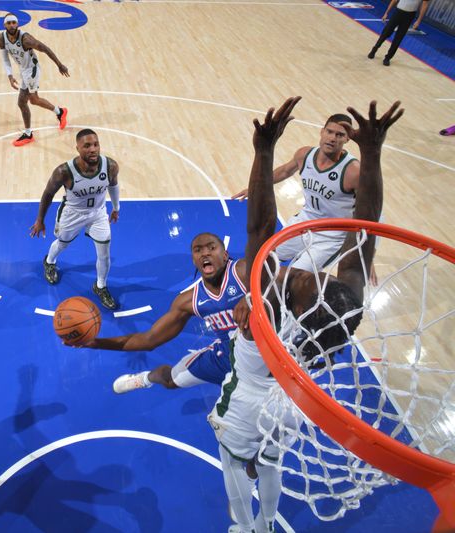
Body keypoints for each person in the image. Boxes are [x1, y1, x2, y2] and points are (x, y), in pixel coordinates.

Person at [209, 97, 402, 533]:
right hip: (290, 402)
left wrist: (262, 150)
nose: (306, 280)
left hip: (247, 400)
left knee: (235, 466)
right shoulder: (338, 315)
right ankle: (267, 525)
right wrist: (373, 154)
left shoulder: (267, 304)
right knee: (272, 461)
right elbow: (363, 229)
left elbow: (260, 227)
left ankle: (245, 526)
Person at [79, 232, 247, 395]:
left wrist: (254, 296)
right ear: (194, 260)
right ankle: (145, 378)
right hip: (225, 358)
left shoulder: (244, 272)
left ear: (225, 255)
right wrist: (97, 343)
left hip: (261, 351)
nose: (205, 253)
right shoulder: (188, 301)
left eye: (211, 248)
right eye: (198, 250)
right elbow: (149, 340)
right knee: (170, 381)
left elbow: (267, 249)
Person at [232, 113, 364, 275]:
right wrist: (256, 188)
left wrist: (365, 252)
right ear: (321, 131)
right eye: (329, 132)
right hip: (304, 222)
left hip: (331, 236)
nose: (332, 138)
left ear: (348, 139)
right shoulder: (305, 154)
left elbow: (368, 211)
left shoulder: (353, 171)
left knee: (293, 277)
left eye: (339, 135)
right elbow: (285, 171)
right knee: (264, 257)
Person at [29, 129, 120, 309]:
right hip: (73, 214)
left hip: (98, 213)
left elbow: (114, 186)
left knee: (104, 253)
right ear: (77, 148)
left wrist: (116, 208)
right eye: (87, 146)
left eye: (96, 144)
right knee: (63, 244)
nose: (93, 149)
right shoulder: (64, 171)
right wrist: (40, 220)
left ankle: (100, 286)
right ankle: (49, 261)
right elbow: (47, 194)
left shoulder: (110, 166)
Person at [0, 13, 69, 147]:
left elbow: (45, 49)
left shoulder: (26, 39)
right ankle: (60, 112)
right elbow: (5, 58)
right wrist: (10, 76)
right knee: (24, 102)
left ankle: (30, 133)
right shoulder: (1, 38)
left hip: (32, 69)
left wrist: (59, 65)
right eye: (9, 22)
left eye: (14, 22)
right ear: (4, 24)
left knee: (31, 100)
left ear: (17, 24)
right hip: (23, 70)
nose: (12, 25)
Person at [367, 0, 429, 66]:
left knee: (399, 37)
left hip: (410, 16)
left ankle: (388, 58)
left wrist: (418, 21)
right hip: (398, 11)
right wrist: (386, 12)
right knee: (386, 32)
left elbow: (425, 4)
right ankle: (375, 48)